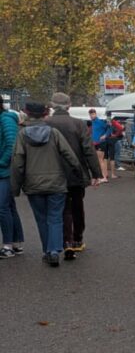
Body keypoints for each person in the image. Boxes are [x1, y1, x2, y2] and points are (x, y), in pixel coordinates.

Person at [9, 101, 83, 265]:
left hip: (33, 184)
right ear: (44, 114)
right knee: (55, 218)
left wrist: (15, 187)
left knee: (41, 219)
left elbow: (18, 163)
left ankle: (46, 251)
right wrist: (79, 174)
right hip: (56, 182)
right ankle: (54, 250)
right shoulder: (54, 133)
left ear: (27, 113)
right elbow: (69, 155)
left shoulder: (22, 135)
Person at [47, 91, 103, 258]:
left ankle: (66, 241)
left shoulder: (46, 124)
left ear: (52, 106)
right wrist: (96, 173)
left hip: (53, 172)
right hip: (76, 173)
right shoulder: (79, 124)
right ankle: (77, 239)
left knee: (61, 209)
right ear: (69, 105)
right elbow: (89, 150)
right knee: (77, 206)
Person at [0, 92, 26, 257]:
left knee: (2, 208)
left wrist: (2, 162)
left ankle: (8, 245)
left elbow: (11, 144)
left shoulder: (5, 119)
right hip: (5, 170)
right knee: (8, 207)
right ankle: (16, 243)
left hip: (6, 170)